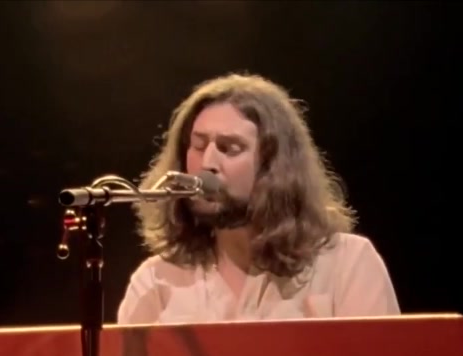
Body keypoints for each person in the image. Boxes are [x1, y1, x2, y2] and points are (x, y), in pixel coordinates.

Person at [117, 72, 400, 325]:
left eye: (230, 148)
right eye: (199, 146)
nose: (207, 163)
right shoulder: (155, 282)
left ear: (273, 165)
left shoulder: (347, 264)